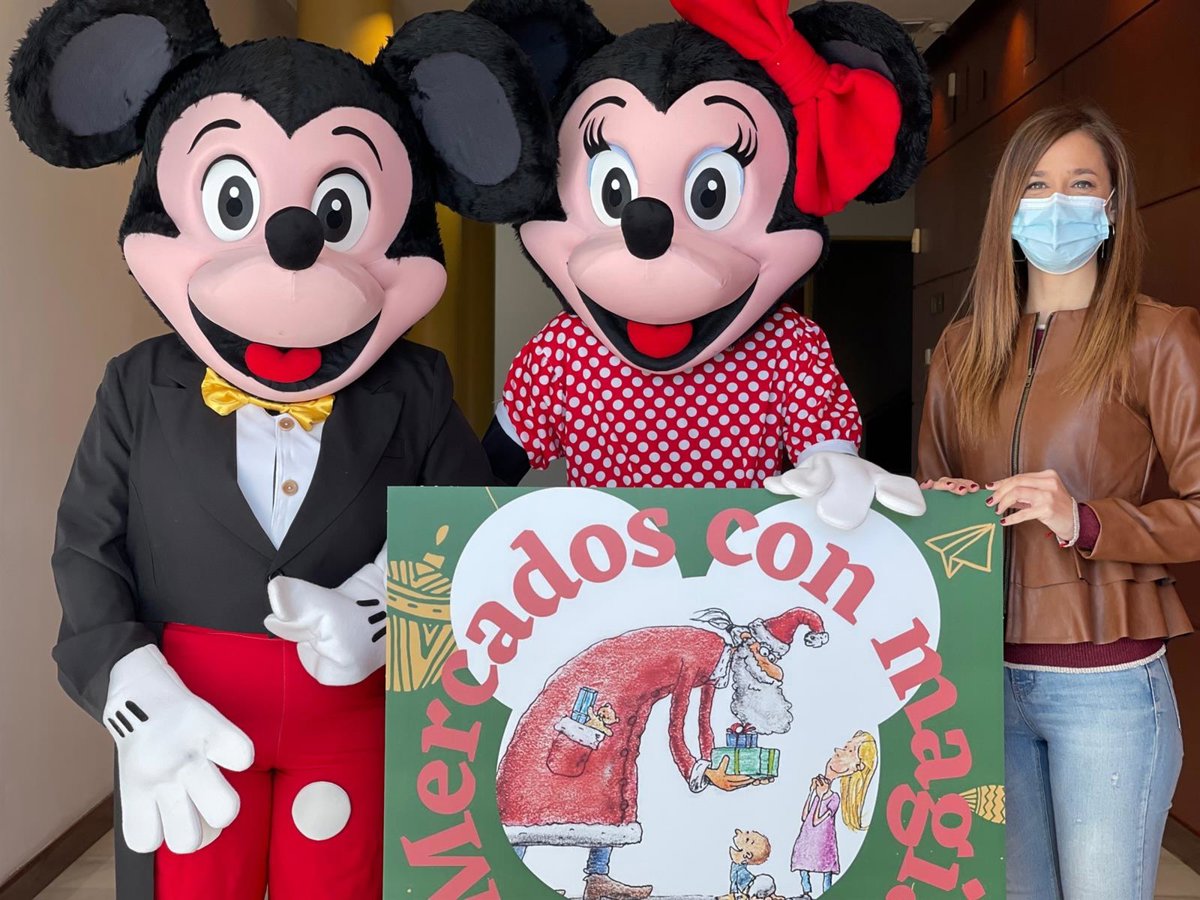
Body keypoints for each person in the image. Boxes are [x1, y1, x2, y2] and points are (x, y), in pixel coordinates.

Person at [917, 104, 1195, 900]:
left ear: (1112, 205)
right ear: (1007, 205)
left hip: (1106, 686)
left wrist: (1085, 518)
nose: (1056, 204)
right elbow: (928, 506)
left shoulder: (1158, 336)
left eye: (1081, 184)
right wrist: (938, 505)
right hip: (979, 679)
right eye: (1036, 185)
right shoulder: (960, 349)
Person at [790, 731, 877, 898]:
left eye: (850, 751)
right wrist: (811, 792)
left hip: (822, 841)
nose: (837, 751)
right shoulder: (821, 789)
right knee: (803, 865)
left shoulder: (835, 797)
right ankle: (806, 893)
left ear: (857, 766)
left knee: (825, 870)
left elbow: (816, 820)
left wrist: (822, 795)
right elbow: (805, 816)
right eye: (845, 747)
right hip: (807, 837)